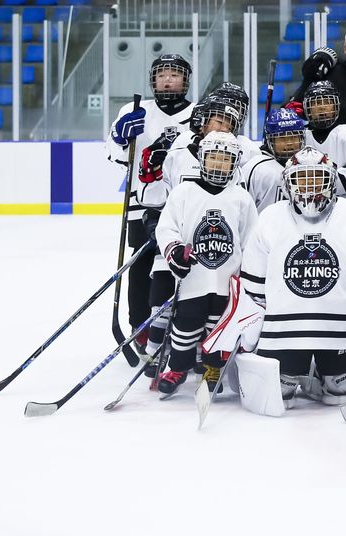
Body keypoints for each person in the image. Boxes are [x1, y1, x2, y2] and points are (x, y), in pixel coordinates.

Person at [242, 147, 346, 407]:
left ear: (331, 181)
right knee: (281, 394)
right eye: (302, 178)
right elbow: (253, 280)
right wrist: (251, 326)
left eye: (318, 178)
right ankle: (305, 371)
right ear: (288, 183)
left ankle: (322, 372)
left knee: (341, 391)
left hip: (340, 330)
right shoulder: (271, 216)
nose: (310, 186)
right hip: (283, 330)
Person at [153, 131, 258, 395]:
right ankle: (178, 366)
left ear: (235, 163)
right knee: (186, 322)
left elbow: (251, 239)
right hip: (193, 279)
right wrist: (174, 251)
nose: (219, 164)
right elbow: (167, 228)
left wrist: (249, 275)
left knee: (218, 325)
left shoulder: (241, 198)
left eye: (226, 159)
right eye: (214, 158)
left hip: (227, 278)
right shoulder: (184, 192)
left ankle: (213, 368)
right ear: (202, 159)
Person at [107, 53, 195, 345]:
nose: (168, 79)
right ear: (153, 80)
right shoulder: (134, 110)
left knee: (183, 263)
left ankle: (180, 325)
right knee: (141, 263)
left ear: (185, 80)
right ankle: (140, 327)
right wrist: (121, 139)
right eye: (162, 74)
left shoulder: (198, 113)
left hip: (184, 203)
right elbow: (114, 156)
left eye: (175, 74)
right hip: (140, 203)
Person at [301, 81, 346, 197]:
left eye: (327, 102)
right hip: (306, 206)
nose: (322, 107)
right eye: (316, 103)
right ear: (308, 108)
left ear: (336, 105)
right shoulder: (300, 137)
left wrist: (311, 187)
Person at [240, 108, 307, 212]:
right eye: (282, 137)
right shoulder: (256, 168)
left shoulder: (310, 164)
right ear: (270, 140)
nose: (289, 143)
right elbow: (242, 209)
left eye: (293, 137)